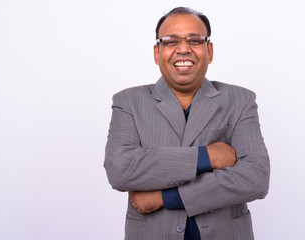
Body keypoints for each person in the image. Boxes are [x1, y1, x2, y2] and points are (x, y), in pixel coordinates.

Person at [104, 7, 270, 240]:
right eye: (171, 41)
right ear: (157, 52)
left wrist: (164, 198)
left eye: (195, 40)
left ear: (209, 51)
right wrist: (208, 157)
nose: (183, 49)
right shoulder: (128, 102)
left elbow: (256, 178)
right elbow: (120, 170)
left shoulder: (240, 100)